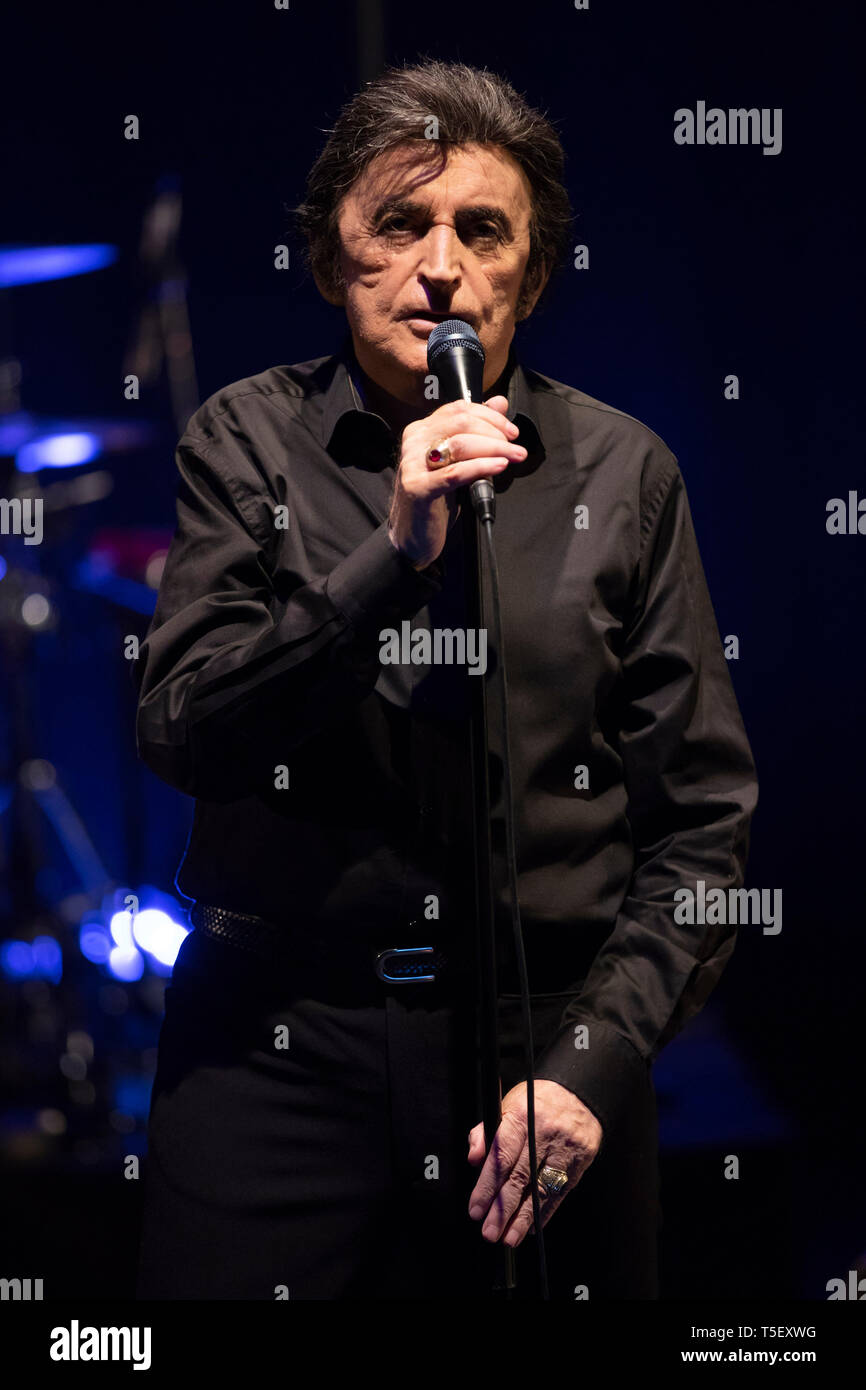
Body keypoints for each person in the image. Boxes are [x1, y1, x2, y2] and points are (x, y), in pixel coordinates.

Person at [134, 59, 758, 1301]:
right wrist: (388, 556)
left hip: (537, 1055)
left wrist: (590, 1067)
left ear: (527, 271)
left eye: (482, 232)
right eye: (398, 225)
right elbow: (185, 727)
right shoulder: (243, 440)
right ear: (329, 262)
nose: (441, 268)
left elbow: (701, 831)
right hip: (279, 1048)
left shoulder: (621, 473)